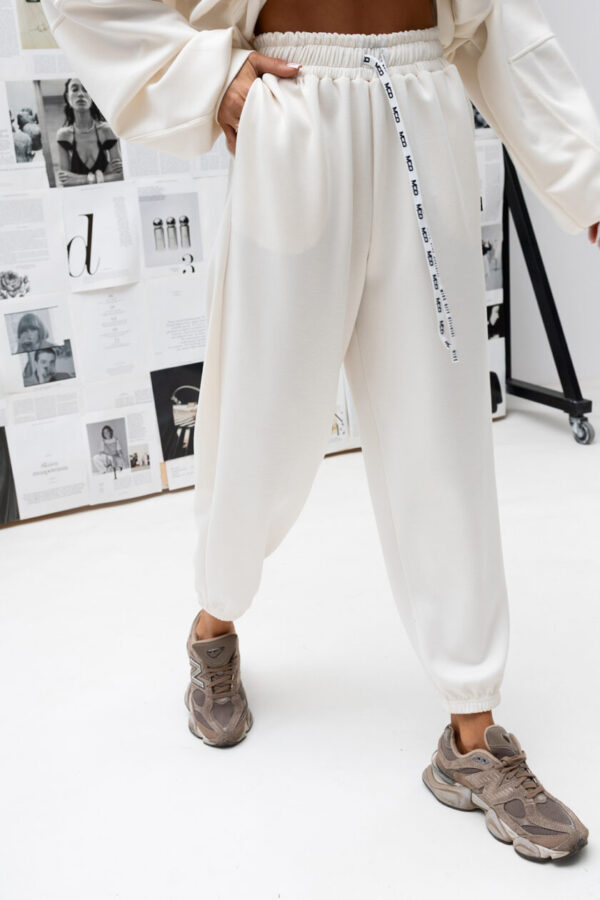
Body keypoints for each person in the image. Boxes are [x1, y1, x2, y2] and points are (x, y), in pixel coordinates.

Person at [41, 0, 600, 863]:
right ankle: (214, 624)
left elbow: (500, 19)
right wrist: (208, 79)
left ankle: (472, 734)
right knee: (260, 425)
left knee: (444, 437)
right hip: (293, 104)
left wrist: (582, 171)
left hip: (422, 97)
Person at [56, 77, 123, 187]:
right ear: (68, 97)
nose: (81, 94)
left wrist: (79, 179)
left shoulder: (107, 130)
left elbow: (121, 175)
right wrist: (103, 176)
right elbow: (65, 182)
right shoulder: (63, 135)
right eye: (75, 89)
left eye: (86, 90)